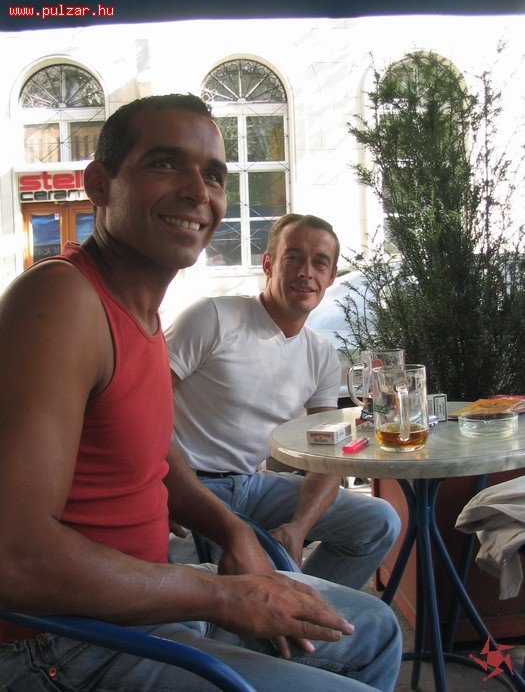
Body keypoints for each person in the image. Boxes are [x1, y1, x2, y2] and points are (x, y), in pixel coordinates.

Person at [0, 94, 401, 691]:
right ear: (100, 185)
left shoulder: (142, 311)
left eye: (213, 175)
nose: (198, 192)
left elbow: (155, 456)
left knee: (376, 630)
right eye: (165, 163)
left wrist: (232, 530)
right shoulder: (61, 301)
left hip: (149, 600)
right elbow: (14, 558)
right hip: (66, 641)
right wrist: (219, 593)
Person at [165, 213, 400, 589]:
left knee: (379, 522)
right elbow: (137, 403)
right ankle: (277, 612)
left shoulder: (320, 354)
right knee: (221, 590)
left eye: (320, 262)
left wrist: (298, 527)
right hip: (188, 485)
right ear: (268, 265)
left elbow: (328, 455)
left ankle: (303, 606)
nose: (306, 272)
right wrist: (161, 486)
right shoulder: (214, 317)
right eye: (293, 257)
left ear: (330, 276)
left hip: (251, 487)